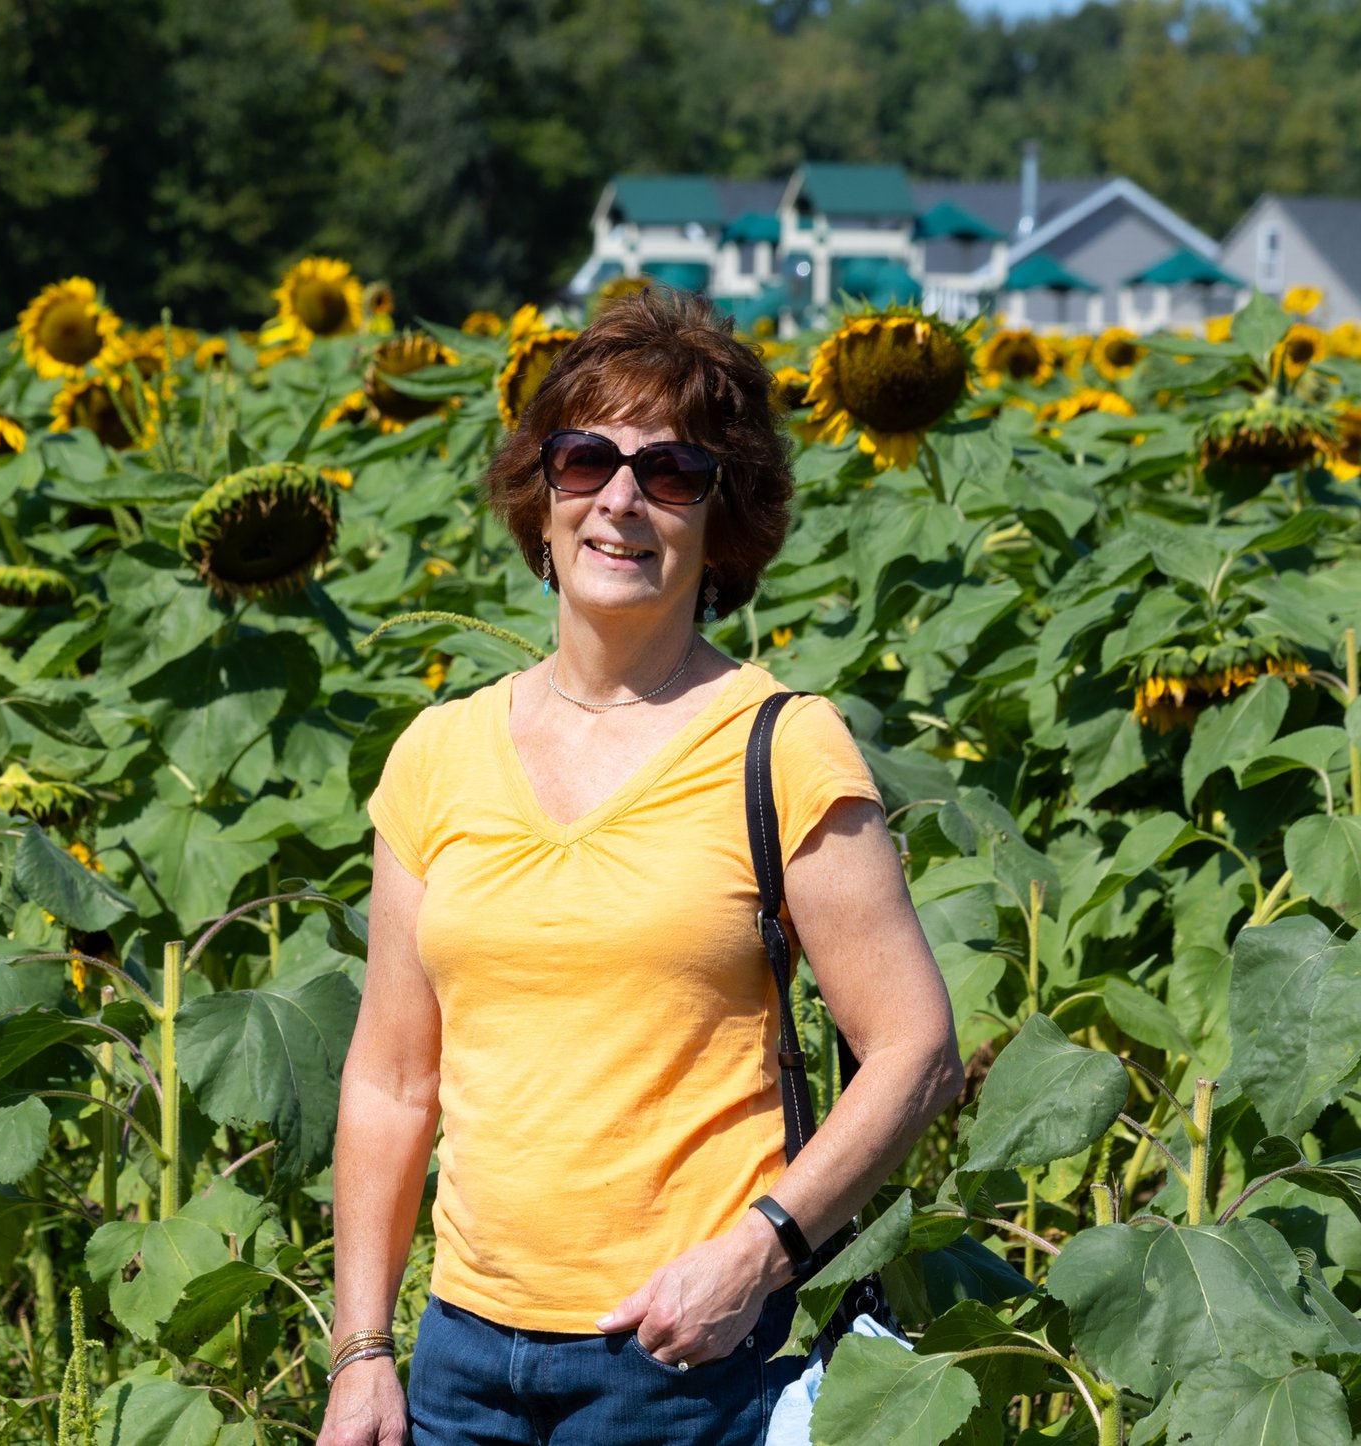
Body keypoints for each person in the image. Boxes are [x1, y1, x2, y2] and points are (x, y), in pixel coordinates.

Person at [317, 287, 964, 1446]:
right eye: (585, 460)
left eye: (671, 473)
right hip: (461, 1362)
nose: (619, 499)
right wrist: (361, 1352)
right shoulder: (436, 755)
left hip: (685, 1359)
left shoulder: (778, 745)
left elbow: (914, 1049)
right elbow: (391, 1082)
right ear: (542, 494)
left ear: (724, 520)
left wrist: (758, 1253)